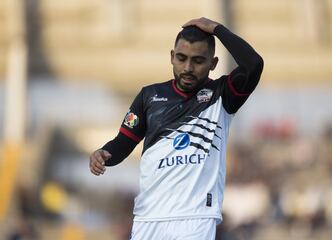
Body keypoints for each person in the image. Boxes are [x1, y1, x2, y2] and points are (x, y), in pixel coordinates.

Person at [89, 17, 263, 239]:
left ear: (213, 63)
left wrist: (217, 29)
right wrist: (104, 154)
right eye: (181, 58)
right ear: (172, 57)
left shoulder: (223, 95)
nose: (188, 68)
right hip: (148, 216)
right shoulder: (149, 96)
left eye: (198, 61)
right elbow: (124, 142)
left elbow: (253, 64)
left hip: (196, 218)